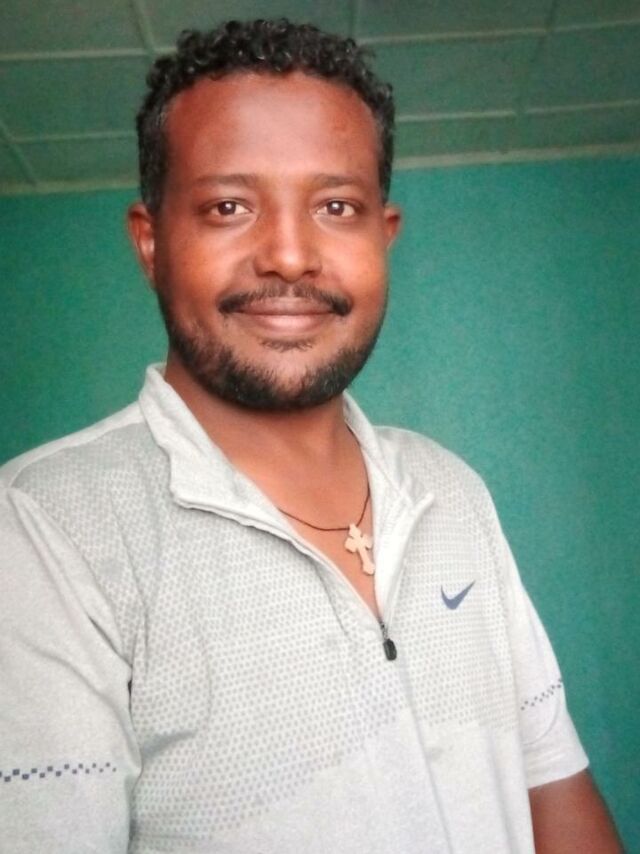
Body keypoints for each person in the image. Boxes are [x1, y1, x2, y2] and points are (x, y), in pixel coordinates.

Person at [0, 18, 622, 854]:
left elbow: (553, 785)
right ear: (151, 244)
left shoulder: (450, 488)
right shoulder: (44, 526)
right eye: (229, 207)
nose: (290, 257)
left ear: (383, 235)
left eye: (336, 207)